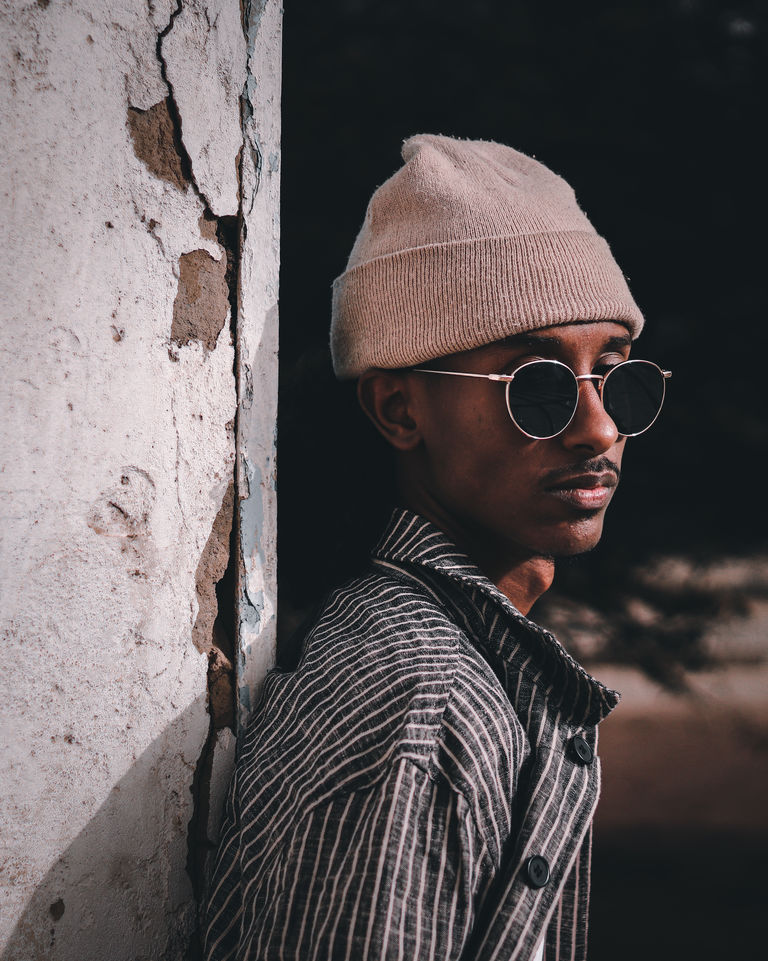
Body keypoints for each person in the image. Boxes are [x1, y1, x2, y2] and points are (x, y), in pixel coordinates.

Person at [201, 133, 669, 961]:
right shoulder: (422, 704)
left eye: (616, 373)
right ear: (398, 410)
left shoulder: (435, 658)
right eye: (537, 384)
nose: (599, 427)